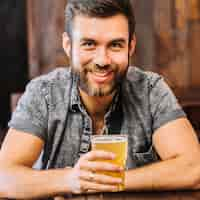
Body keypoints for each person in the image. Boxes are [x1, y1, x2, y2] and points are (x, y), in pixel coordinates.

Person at [0, 0, 200, 199]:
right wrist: (71, 179)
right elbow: (4, 177)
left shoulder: (150, 89)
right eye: (89, 44)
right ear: (68, 45)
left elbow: (194, 169)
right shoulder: (43, 92)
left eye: (115, 45)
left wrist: (105, 181)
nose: (102, 60)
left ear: (131, 47)